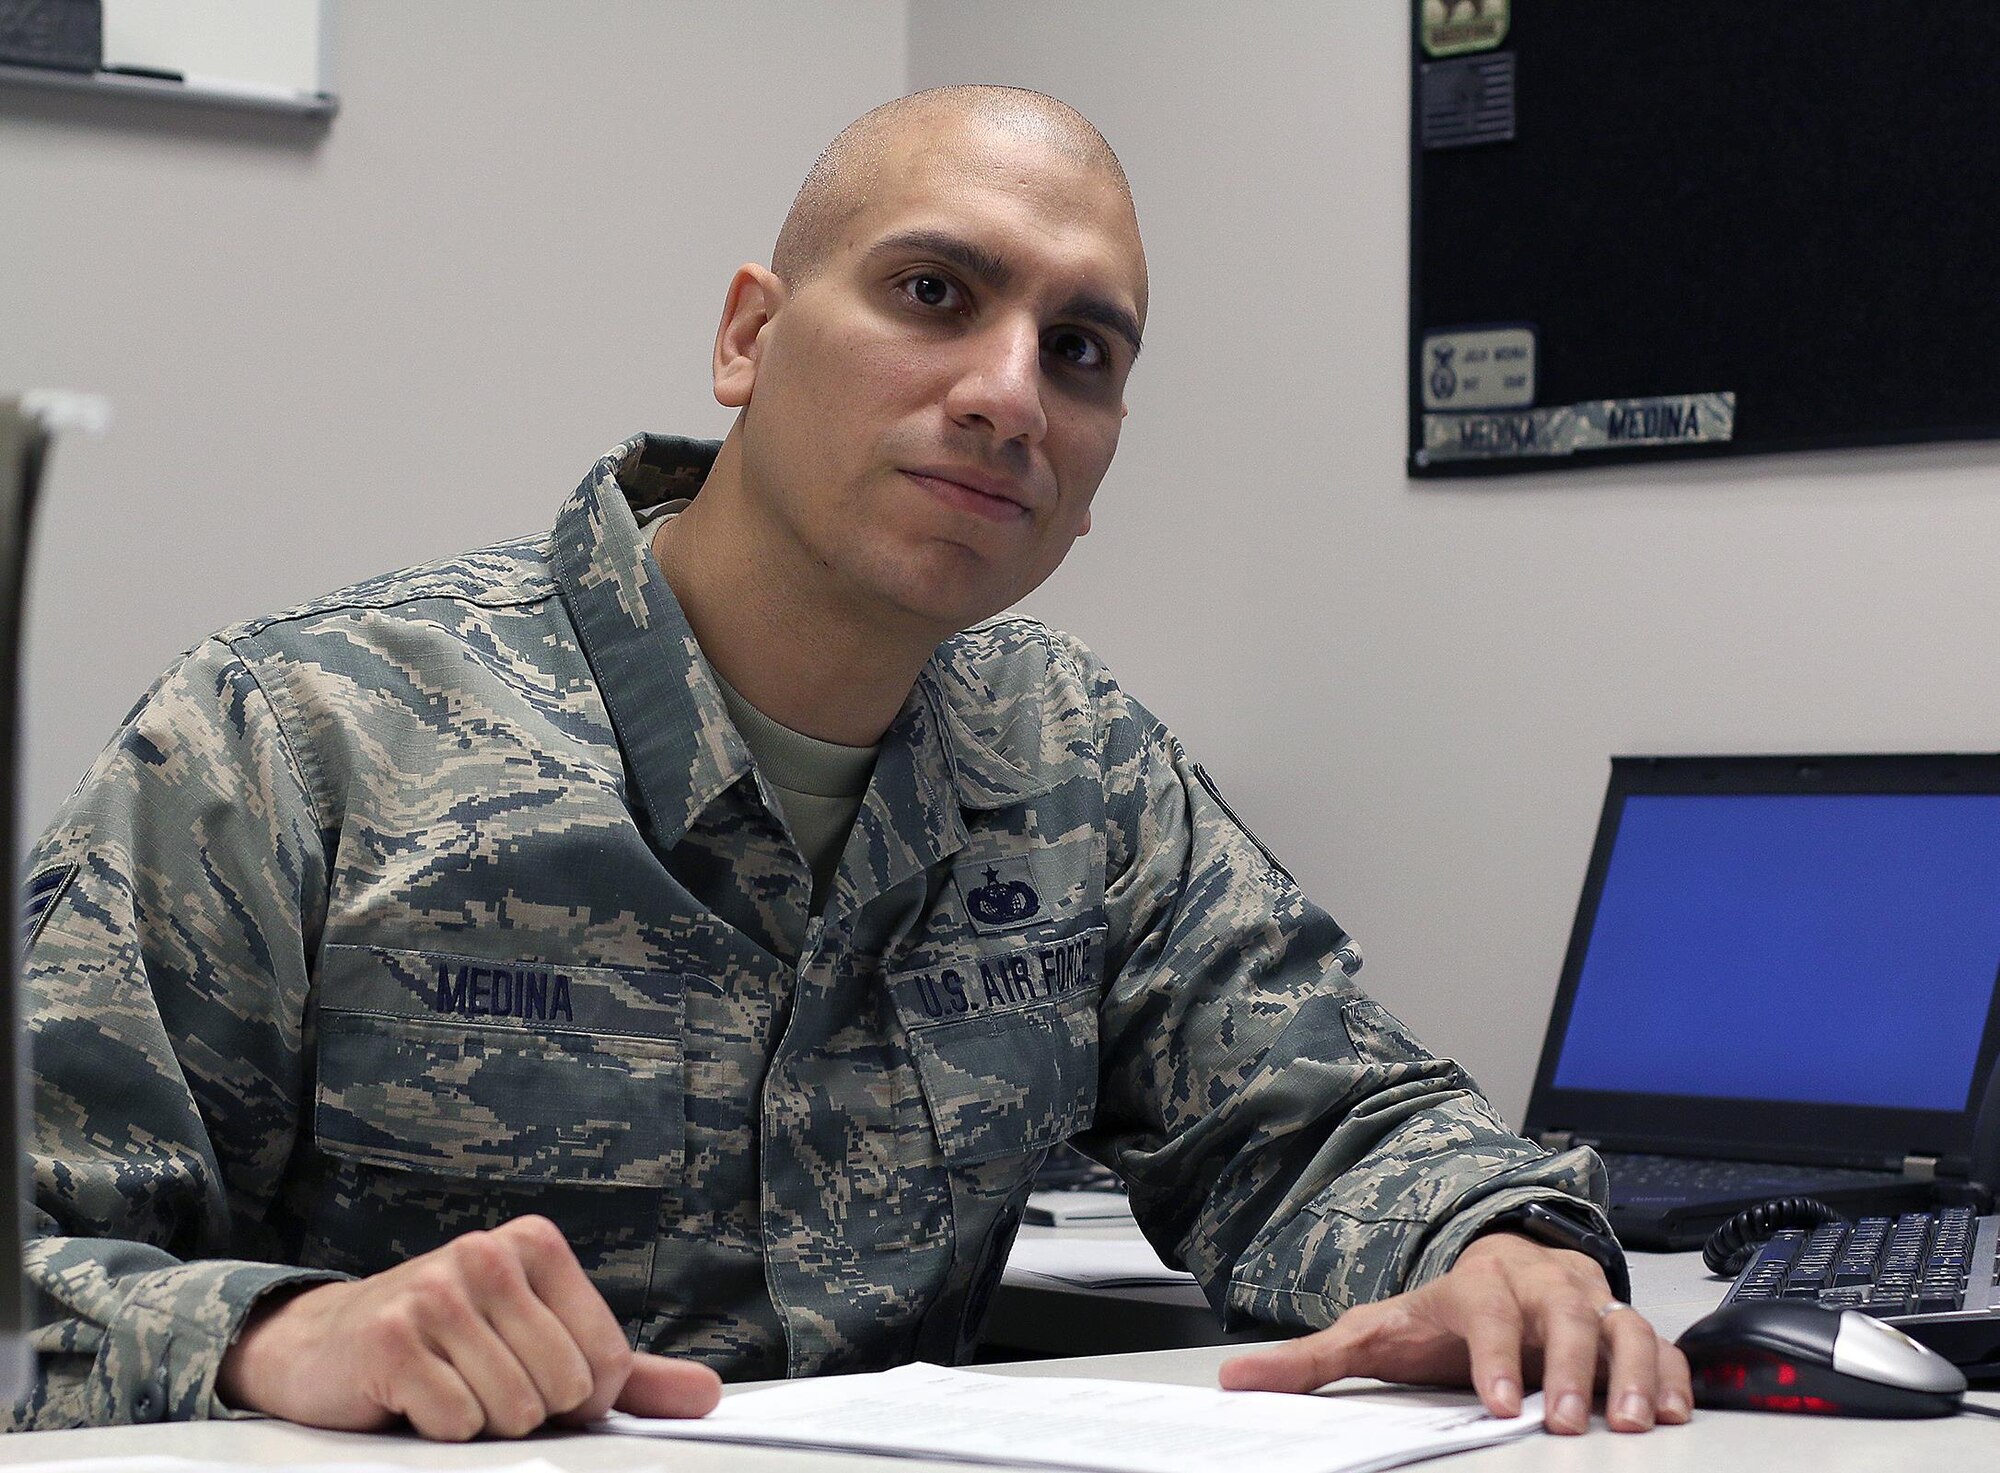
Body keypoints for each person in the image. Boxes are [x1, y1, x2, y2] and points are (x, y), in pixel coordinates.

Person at [11, 87, 1690, 1442]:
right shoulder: (295, 736)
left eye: (1081, 352)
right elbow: (30, 1273)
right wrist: (278, 1334)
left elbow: (1331, 1122)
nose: (1007, 393)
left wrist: (1498, 1246)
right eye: (933, 293)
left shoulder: (1077, 765)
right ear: (746, 338)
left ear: (1098, 472)